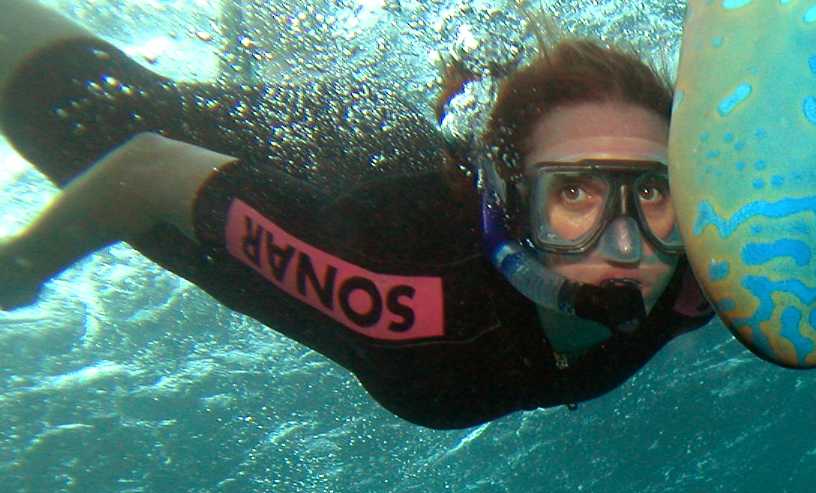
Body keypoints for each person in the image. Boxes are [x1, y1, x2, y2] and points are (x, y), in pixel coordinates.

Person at [0, 0, 711, 429]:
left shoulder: (708, 264)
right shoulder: (403, 300)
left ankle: (254, 57)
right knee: (92, 119)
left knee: (280, 97)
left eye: (652, 191)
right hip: (339, 164)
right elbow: (148, 170)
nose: (626, 241)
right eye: (576, 194)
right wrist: (24, 266)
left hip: (393, 143)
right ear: (515, 211)